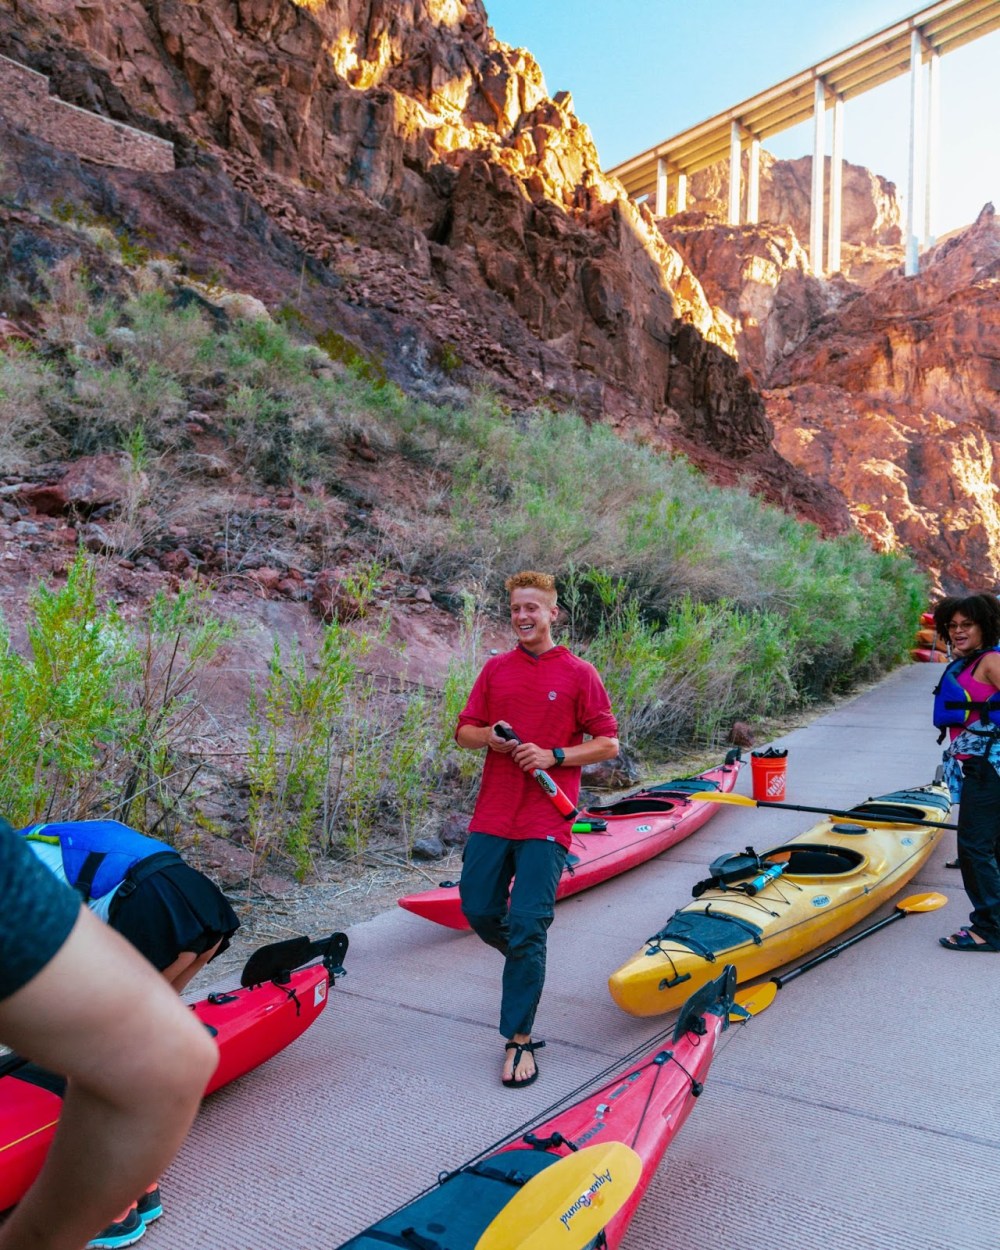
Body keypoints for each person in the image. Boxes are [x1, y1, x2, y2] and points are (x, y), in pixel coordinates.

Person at [0, 818, 218, 1250]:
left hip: (151, 903)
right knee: (148, 1047)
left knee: (103, 1059)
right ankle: (142, 1189)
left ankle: (115, 1215)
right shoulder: (39, 843)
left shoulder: (24, 856)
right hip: (200, 901)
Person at [456, 571, 619, 1087]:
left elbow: (608, 742)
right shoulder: (495, 671)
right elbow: (463, 733)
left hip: (549, 817)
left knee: (528, 924)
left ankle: (519, 1039)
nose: (523, 617)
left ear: (553, 613)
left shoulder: (579, 673)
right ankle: (528, 958)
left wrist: (554, 754)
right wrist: (492, 740)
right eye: (515, 609)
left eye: (533, 608)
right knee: (479, 909)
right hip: (494, 813)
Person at [21, 818, 240, 993]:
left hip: (149, 898)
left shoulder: (14, 862)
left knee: (121, 1018)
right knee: (161, 1008)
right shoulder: (47, 835)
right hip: (196, 889)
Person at [932, 593, 1000, 951]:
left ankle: (989, 930)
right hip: (985, 767)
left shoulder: (990, 661)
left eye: (966, 625)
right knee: (992, 845)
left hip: (990, 768)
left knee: (974, 847)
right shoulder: (974, 661)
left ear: (984, 626)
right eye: (952, 625)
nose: (957, 631)